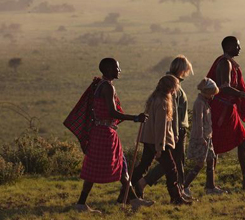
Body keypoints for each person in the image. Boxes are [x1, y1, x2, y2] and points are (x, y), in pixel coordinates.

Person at [71, 58, 151, 213]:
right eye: (116, 67)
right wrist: (135, 118)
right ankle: (81, 203)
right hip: (105, 134)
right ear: (108, 69)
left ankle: (134, 200)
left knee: (120, 166)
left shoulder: (100, 85)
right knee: (97, 169)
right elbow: (112, 112)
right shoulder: (107, 87)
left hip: (102, 132)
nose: (119, 70)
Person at [206, 36, 245, 190]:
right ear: (229, 46)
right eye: (237, 46)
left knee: (243, 141)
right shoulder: (224, 63)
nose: (239, 48)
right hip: (221, 109)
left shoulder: (228, 62)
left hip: (227, 108)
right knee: (214, 146)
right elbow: (224, 87)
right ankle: (210, 184)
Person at [135, 56, 192, 199]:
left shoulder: (161, 91)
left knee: (146, 165)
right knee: (173, 167)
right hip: (165, 136)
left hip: (157, 137)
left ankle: (127, 190)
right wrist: (164, 143)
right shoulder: (167, 94)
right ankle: (177, 196)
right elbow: (166, 121)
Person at [183, 78, 228, 195]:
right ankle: (185, 186)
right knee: (200, 163)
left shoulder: (204, 102)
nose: (213, 96)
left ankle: (210, 187)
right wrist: (201, 137)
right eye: (212, 93)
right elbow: (198, 122)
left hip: (207, 137)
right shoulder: (199, 103)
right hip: (201, 137)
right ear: (207, 92)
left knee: (210, 160)